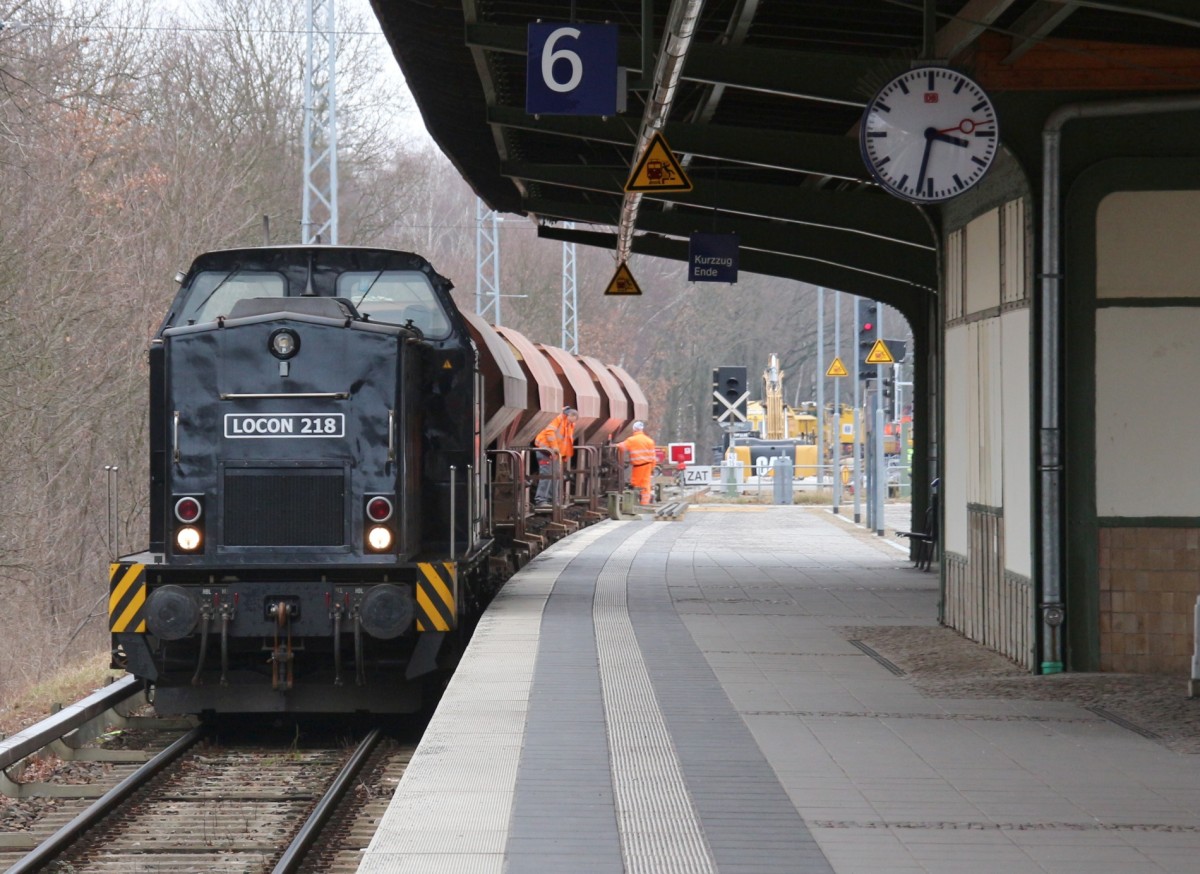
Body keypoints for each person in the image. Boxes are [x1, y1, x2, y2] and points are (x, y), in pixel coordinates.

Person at [533, 406, 578, 507]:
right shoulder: (558, 419)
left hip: (555, 454)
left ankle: (553, 501)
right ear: (569, 415)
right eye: (572, 420)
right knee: (547, 474)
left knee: (556, 475)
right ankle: (541, 500)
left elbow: (567, 442)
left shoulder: (569, 425)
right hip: (545, 451)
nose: (572, 423)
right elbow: (549, 432)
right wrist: (554, 447)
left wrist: (564, 456)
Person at [617, 420, 656, 506]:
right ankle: (644, 503)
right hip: (648, 465)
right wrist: (652, 468)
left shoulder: (632, 440)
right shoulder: (649, 441)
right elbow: (653, 457)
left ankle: (635, 503)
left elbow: (622, 447)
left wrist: (614, 445)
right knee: (646, 484)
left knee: (636, 484)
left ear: (634, 429)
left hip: (638, 466)